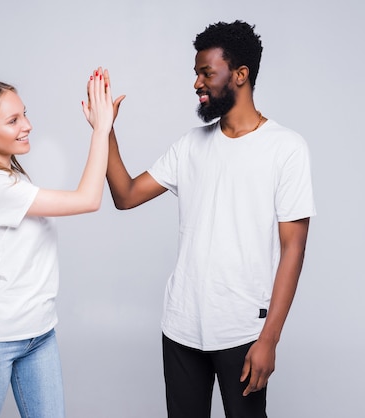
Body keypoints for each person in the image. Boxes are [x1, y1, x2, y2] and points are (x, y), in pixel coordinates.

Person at [104, 21, 316, 417]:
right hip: (181, 327)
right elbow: (126, 195)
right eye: (196, 73)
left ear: (240, 75)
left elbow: (293, 249)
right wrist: (105, 130)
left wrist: (269, 339)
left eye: (206, 72)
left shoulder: (286, 149)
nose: (197, 83)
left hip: (242, 333)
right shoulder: (191, 145)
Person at [0, 68, 114, 418]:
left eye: (25, 114)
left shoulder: (14, 177)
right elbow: (88, 199)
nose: (27, 125)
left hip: (39, 335)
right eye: (13, 120)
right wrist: (102, 129)